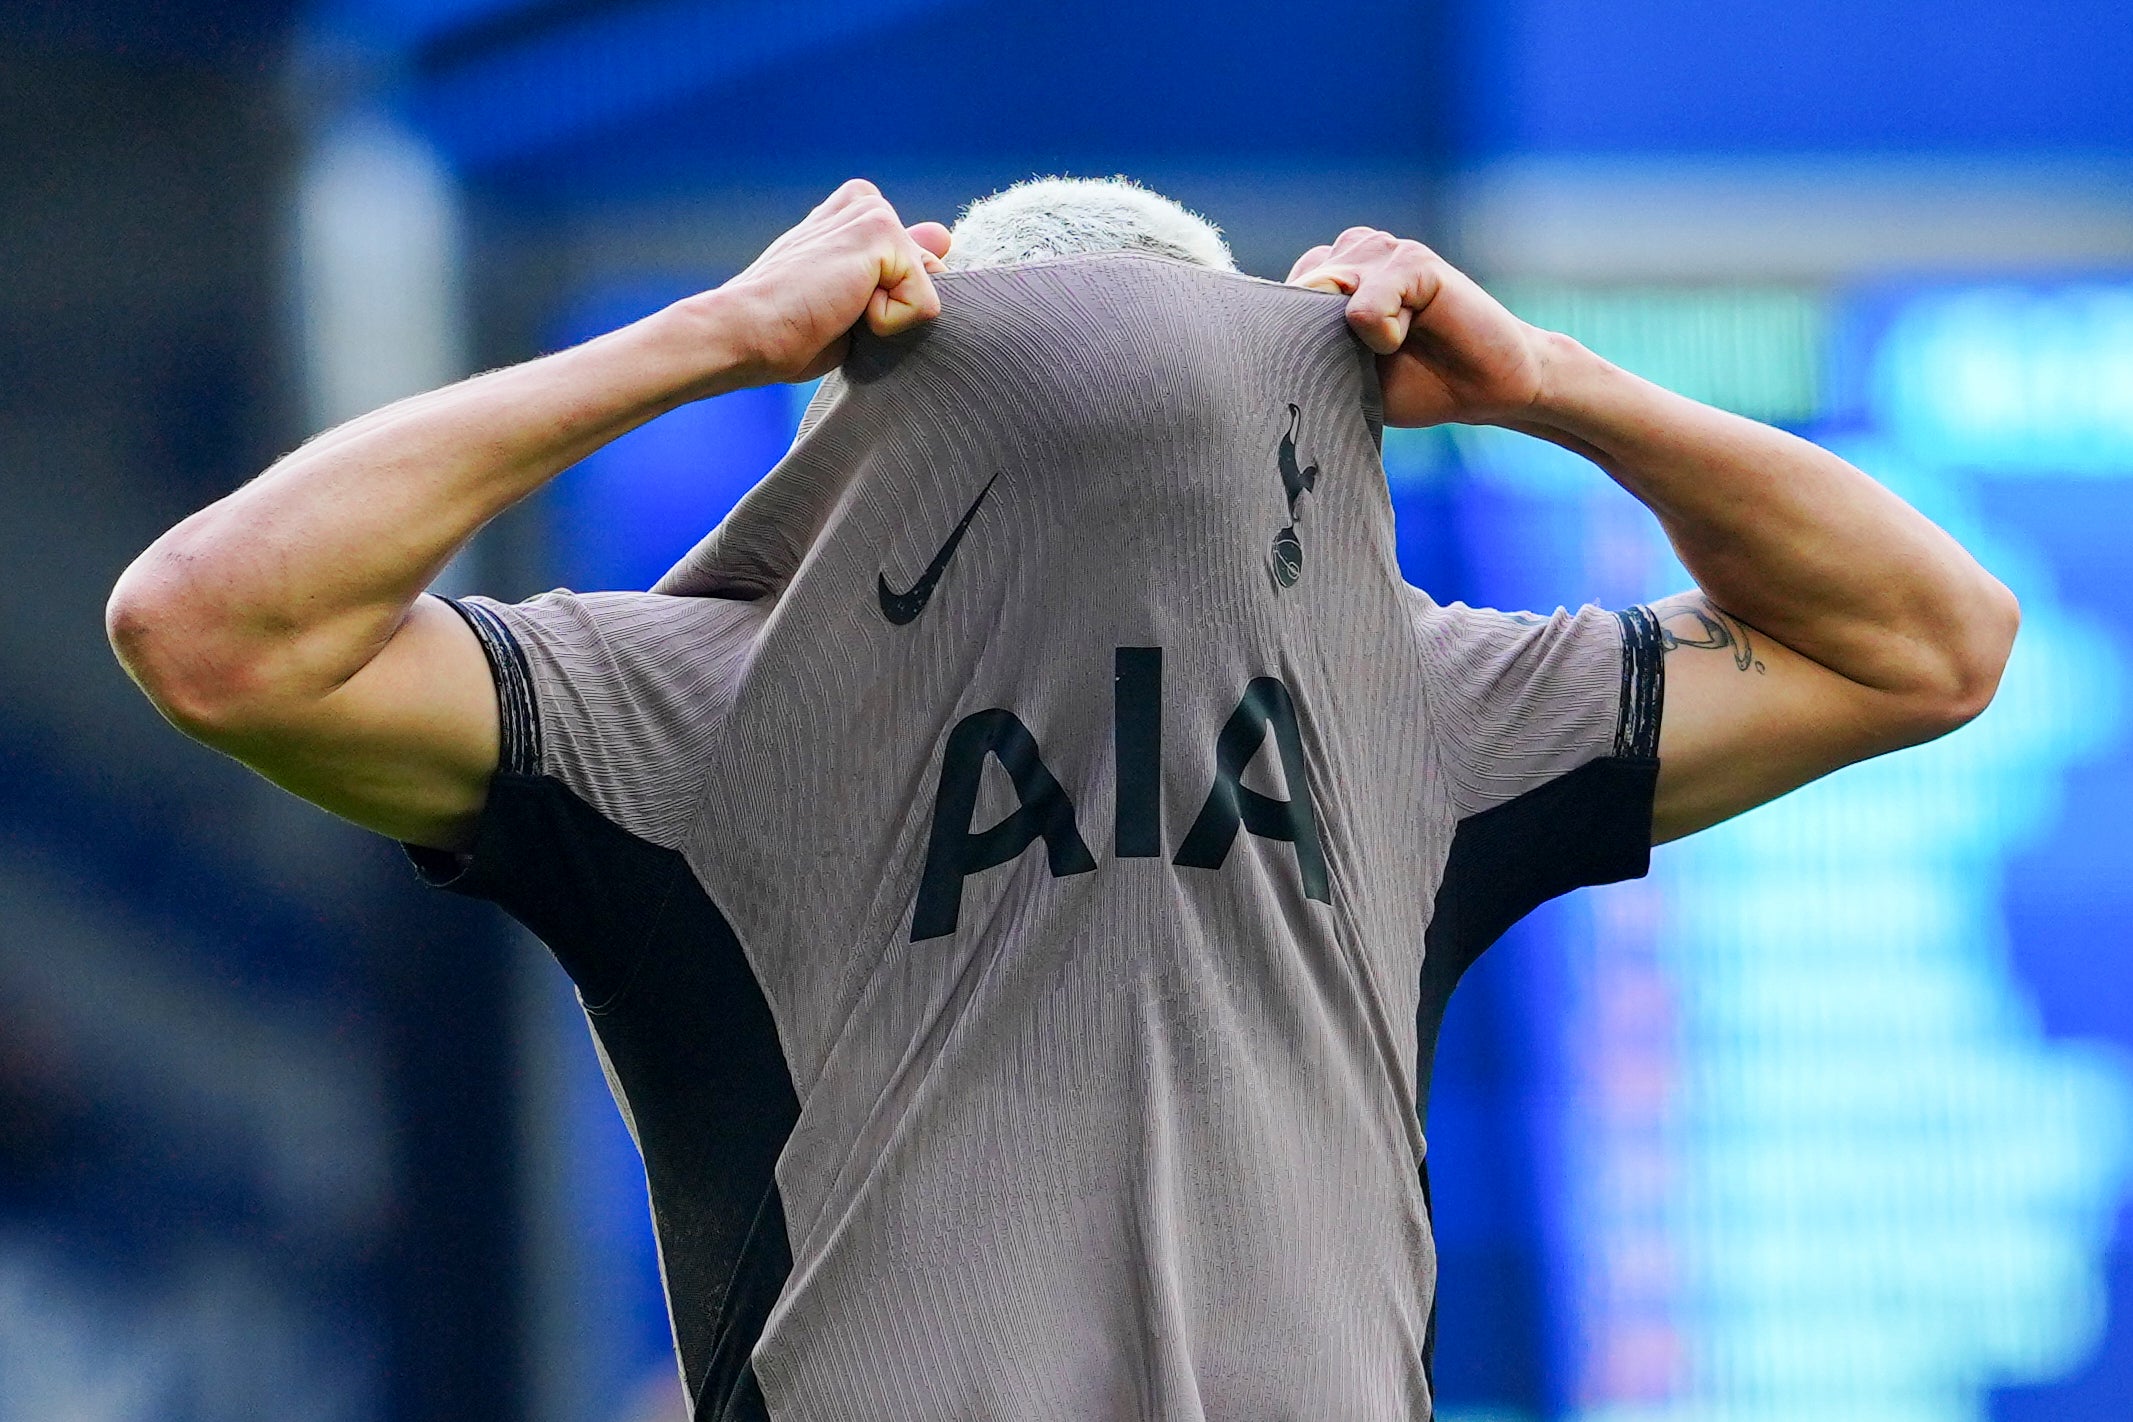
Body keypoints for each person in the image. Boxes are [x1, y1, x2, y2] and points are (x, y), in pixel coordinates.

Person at [106, 176, 2016, 1421]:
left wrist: (1554, 378)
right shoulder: (684, 703)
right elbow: (211, 628)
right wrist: (1546, 394)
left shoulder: (1419, 699)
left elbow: (1932, 642)